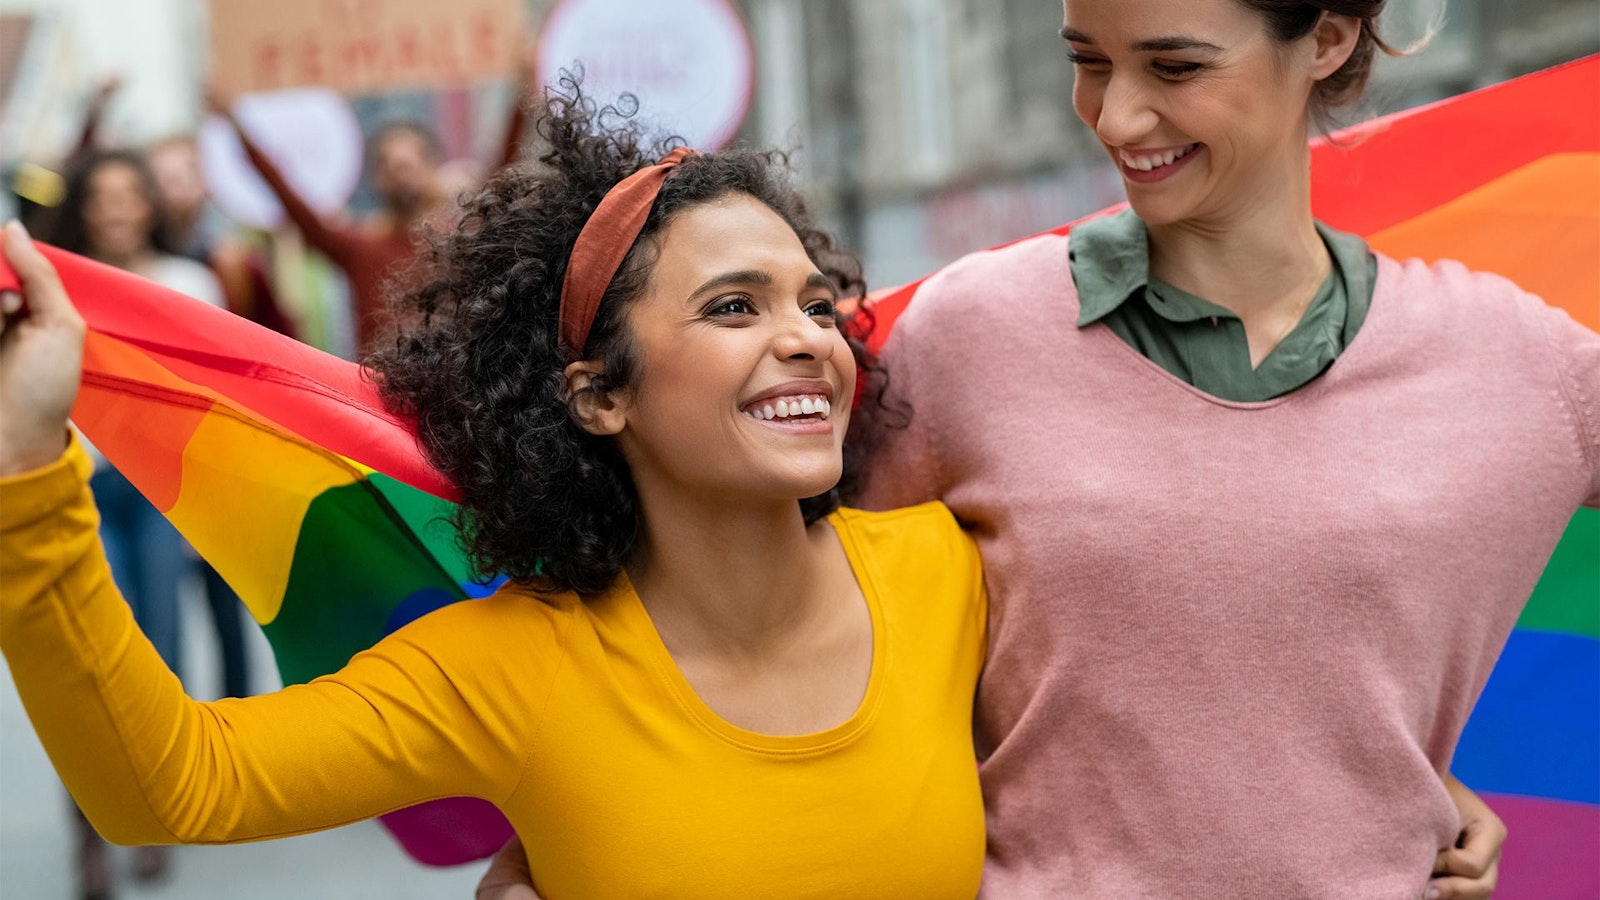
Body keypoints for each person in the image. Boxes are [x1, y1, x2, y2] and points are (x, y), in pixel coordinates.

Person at [463, 3, 1575, 898]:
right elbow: (761, 623)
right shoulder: (962, 339)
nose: (1120, 116)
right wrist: (587, 842)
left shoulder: (1519, 361)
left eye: (1173, 66)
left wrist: (1396, 773)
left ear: (1327, 36)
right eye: (1088, 60)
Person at [0, 83, 988, 897]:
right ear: (598, 396)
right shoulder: (512, 666)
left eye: (819, 302)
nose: (811, 337)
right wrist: (25, 468)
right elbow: (170, 785)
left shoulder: (955, 572)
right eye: (735, 305)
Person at [40, 147, 235, 899]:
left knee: (157, 660)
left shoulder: (194, 282)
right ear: (84, 207)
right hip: (79, 495)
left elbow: (218, 404)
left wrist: (204, 511)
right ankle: (87, 833)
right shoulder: (56, 287)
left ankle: (147, 815)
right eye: (103, 196)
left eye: (131, 194)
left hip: (161, 498)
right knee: (86, 664)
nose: (118, 208)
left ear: (151, 203)